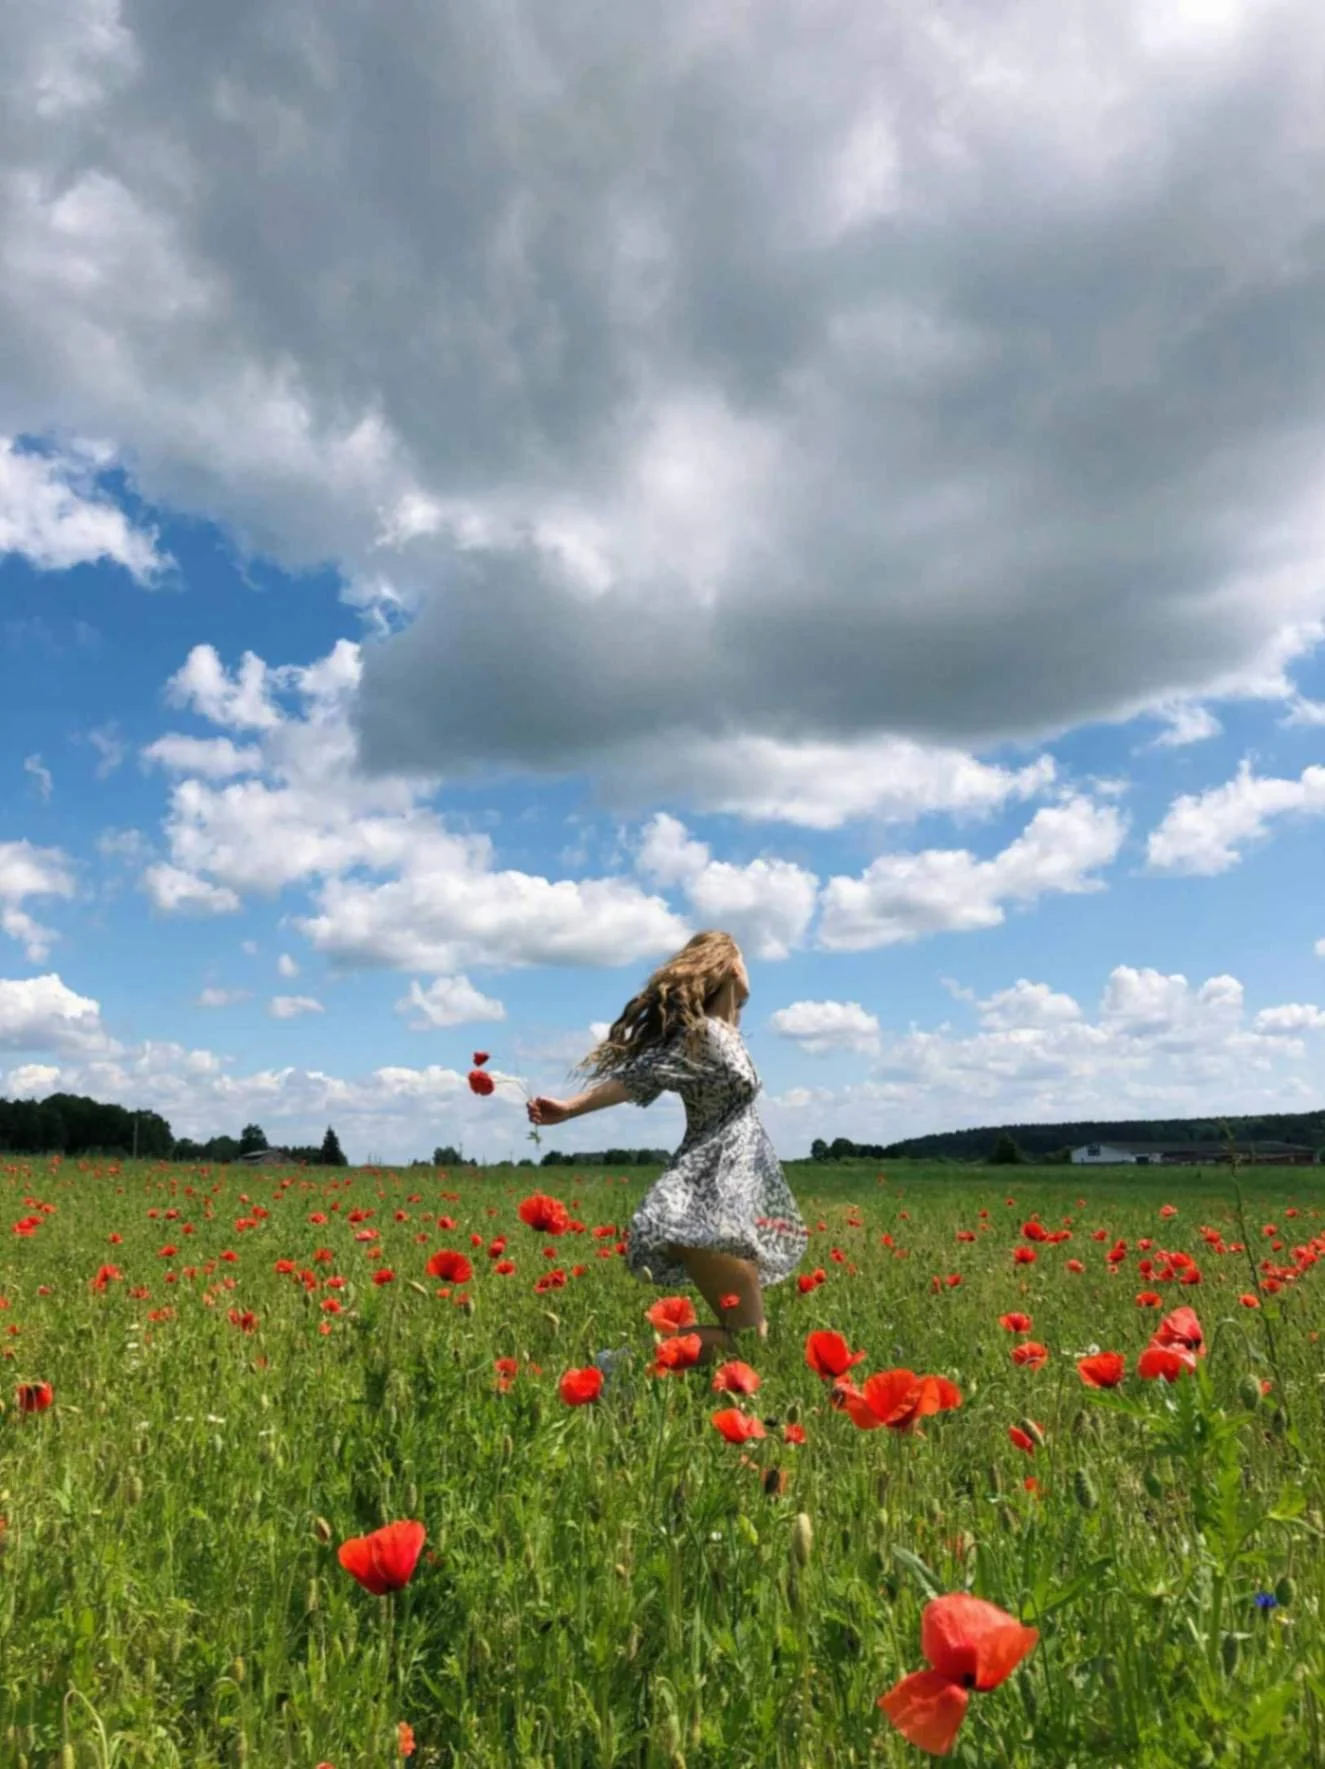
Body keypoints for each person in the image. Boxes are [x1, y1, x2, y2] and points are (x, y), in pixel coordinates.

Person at [526, 929, 810, 1367]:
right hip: (707, 1202)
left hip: (728, 1200)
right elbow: (640, 1077)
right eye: (746, 961)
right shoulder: (703, 1036)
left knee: (751, 1339)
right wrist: (569, 1108)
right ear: (730, 965)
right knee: (751, 1339)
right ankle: (618, 1366)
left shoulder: (726, 1034)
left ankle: (624, 1368)